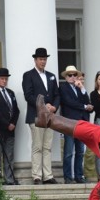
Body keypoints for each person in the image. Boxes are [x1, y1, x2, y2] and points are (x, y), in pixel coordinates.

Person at [22, 47, 61, 185]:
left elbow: (57, 94)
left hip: (49, 116)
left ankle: (48, 175)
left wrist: (54, 107)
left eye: (44, 59)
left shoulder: (51, 75)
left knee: (47, 146)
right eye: (40, 59)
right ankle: (37, 176)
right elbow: (29, 96)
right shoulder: (28, 75)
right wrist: (44, 105)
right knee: (37, 146)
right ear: (35, 60)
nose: (43, 61)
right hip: (36, 115)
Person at [59, 65, 92, 184]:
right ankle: (68, 176)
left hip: (81, 122)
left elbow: (87, 101)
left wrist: (82, 88)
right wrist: (84, 106)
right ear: (66, 77)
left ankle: (79, 175)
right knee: (68, 151)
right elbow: (69, 102)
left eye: (74, 75)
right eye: (70, 75)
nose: (72, 77)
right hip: (69, 123)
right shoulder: (63, 88)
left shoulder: (79, 88)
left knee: (80, 151)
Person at [0, 68, 20, 185]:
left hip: (10, 130)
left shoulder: (10, 93)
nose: (4, 81)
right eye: (2, 78)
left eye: (6, 79)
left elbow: (16, 110)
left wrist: (13, 123)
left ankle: (9, 178)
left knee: (9, 155)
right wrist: (7, 124)